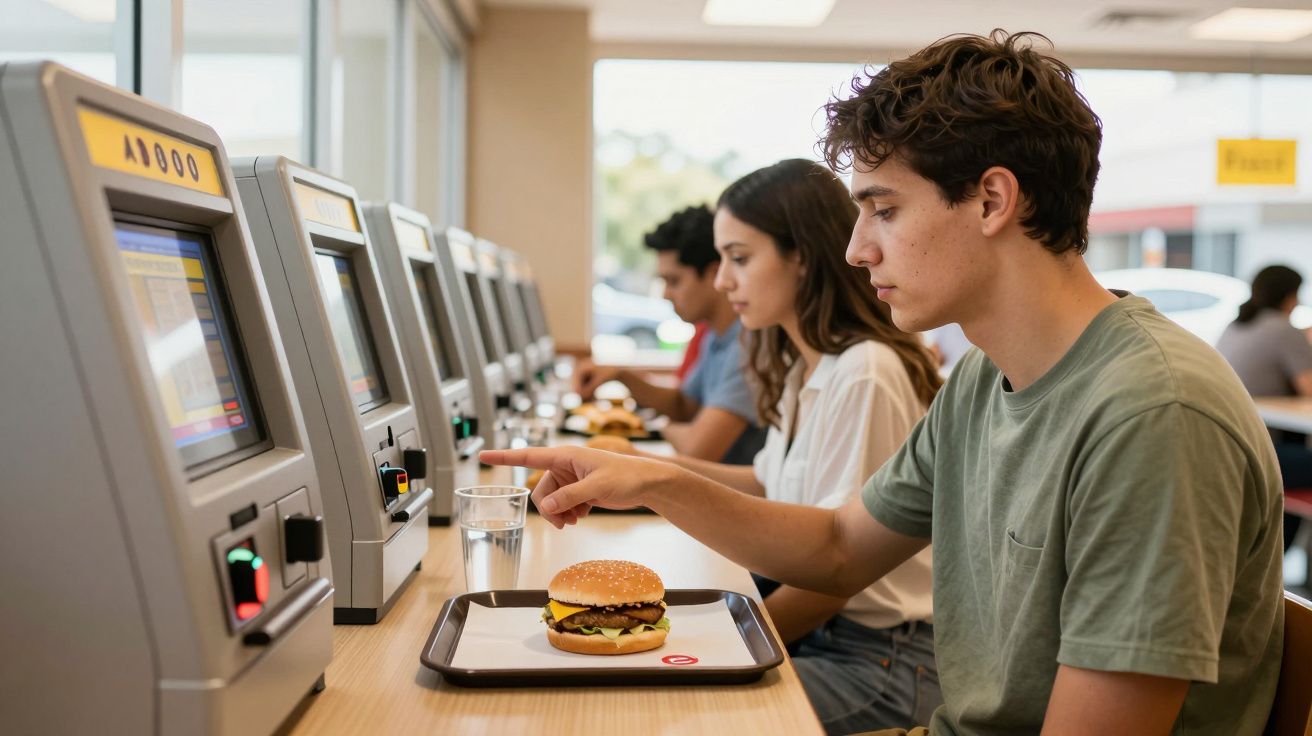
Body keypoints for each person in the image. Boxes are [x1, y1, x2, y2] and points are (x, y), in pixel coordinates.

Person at [488, 31, 1283, 735]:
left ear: (992, 200)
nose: (859, 249)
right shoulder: (982, 379)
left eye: (883, 211)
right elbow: (837, 548)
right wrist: (657, 481)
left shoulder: (1152, 412)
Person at [608, 159, 943, 732]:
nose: (721, 281)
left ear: (803, 257)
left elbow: (833, 580)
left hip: (882, 660)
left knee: (667, 708)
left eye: (739, 259)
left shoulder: (865, 371)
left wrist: (713, 647)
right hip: (830, 640)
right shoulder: (802, 364)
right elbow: (767, 481)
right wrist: (641, 471)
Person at [575, 206, 766, 463]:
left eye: (673, 281)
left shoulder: (749, 342)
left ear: (712, 273)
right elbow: (684, 407)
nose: (665, 294)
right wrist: (619, 375)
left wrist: (657, 425)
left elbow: (697, 448)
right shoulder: (715, 336)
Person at [1217, 264, 1312, 553]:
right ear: (1290, 296)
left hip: (1227, 448)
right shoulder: (1283, 328)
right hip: (1262, 452)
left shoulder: (1236, 325)